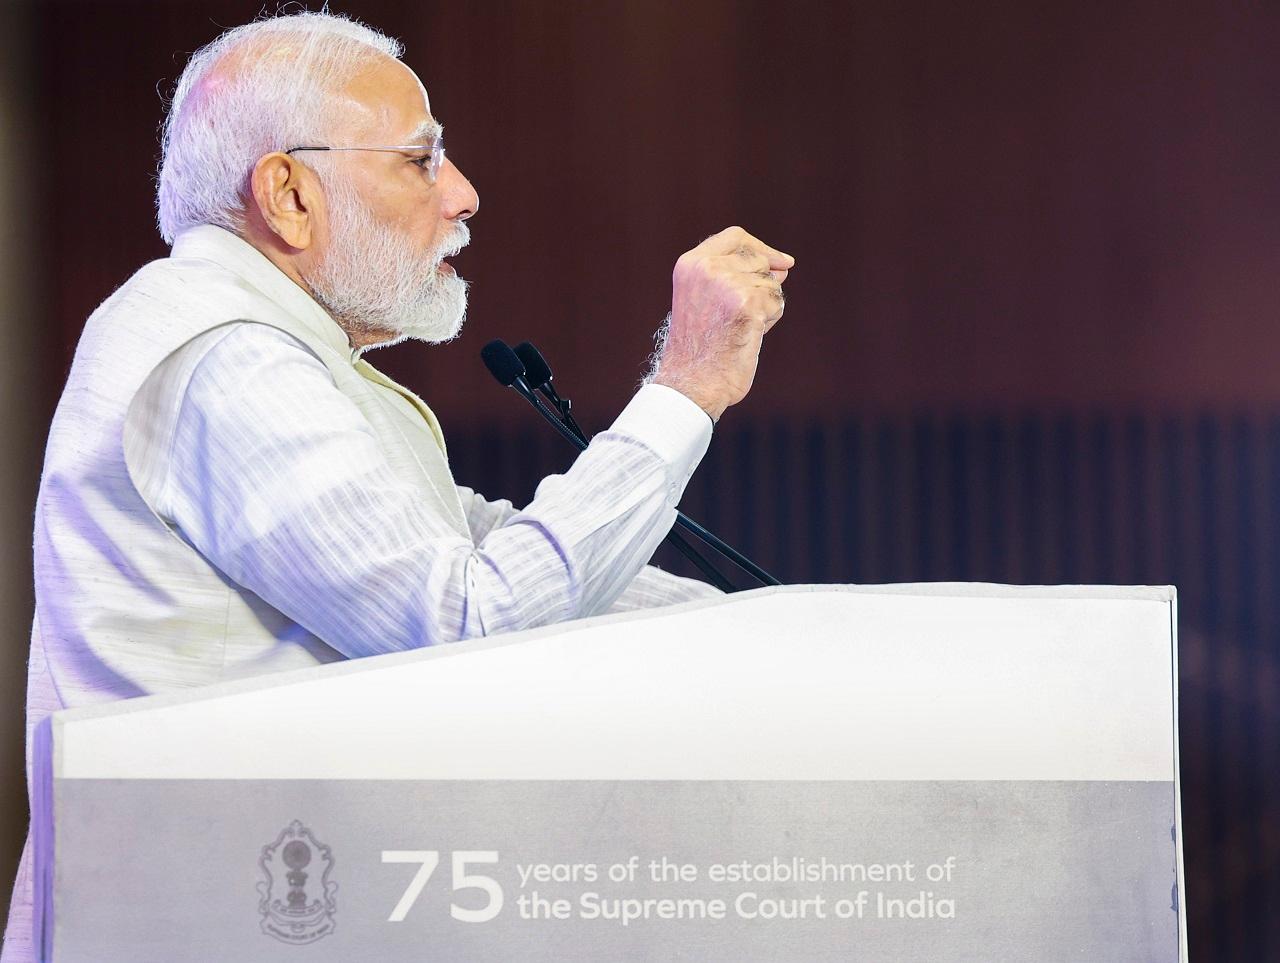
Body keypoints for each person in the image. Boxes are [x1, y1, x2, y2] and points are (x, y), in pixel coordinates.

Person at [1, 10, 791, 959]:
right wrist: (685, 390)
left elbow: (492, 556)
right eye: (420, 160)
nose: (463, 194)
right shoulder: (228, 361)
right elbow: (472, 621)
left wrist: (774, 624)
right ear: (289, 194)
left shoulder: (281, 350)